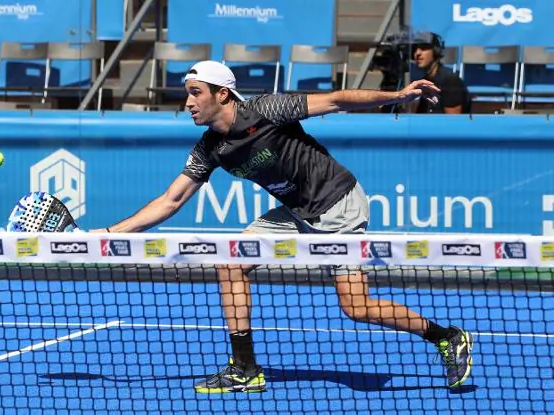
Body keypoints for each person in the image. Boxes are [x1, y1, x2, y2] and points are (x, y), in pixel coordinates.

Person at [91, 60, 474, 392]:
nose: (188, 102)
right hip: (295, 211)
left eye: (195, 93)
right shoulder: (210, 148)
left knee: (356, 307)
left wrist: (397, 96)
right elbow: (170, 201)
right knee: (231, 262)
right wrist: (106, 236)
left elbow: (337, 100)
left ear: (222, 94)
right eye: (187, 94)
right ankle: (245, 368)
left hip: (337, 204)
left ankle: (446, 337)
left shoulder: (269, 110)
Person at [412, 32, 471, 114]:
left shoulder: (450, 81)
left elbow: (453, 122)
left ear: (436, 51)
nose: (417, 53)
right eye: (414, 49)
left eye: (423, 48)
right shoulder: (425, 80)